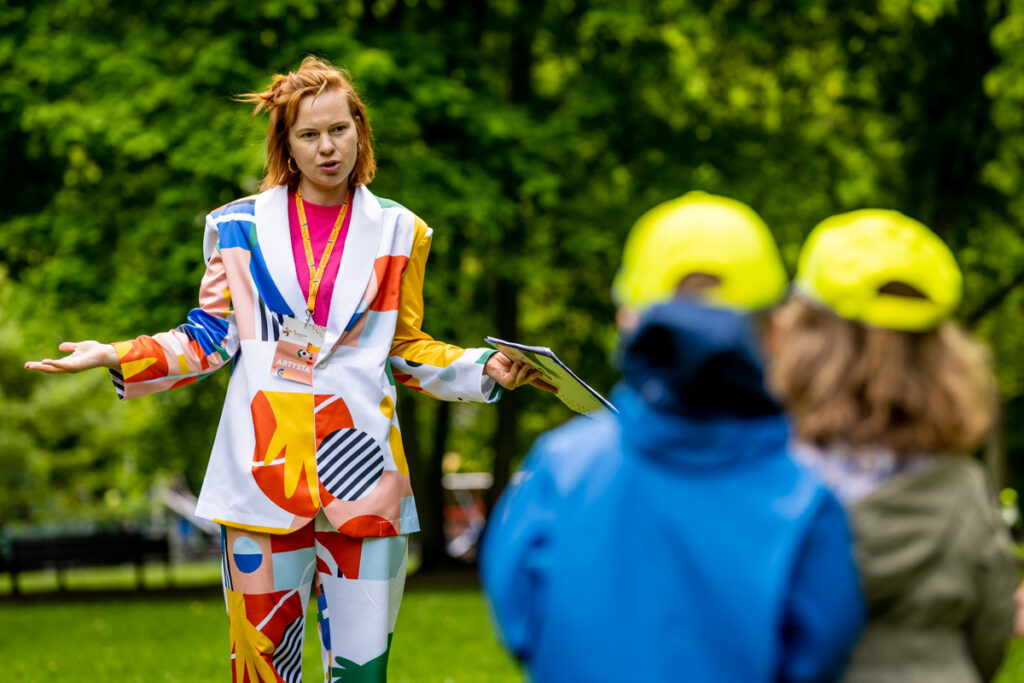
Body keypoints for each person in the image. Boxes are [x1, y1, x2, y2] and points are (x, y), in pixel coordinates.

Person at [25, 56, 541, 682]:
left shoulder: (401, 232)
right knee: (264, 672)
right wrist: (120, 354)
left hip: (366, 480)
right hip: (260, 481)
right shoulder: (237, 227)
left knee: (361, 672)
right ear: (287, 146)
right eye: (309, 135)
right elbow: (209, 338)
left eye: (340, 130)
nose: (328, 148)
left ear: (360, 131)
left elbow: (405, 347)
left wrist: (484, 366)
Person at [480, 192, 865, 682]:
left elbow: (518, 615)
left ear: (628, 317)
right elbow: (821, 645)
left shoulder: (561, 469)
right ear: (776, 330)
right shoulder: (807, 488)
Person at [770, 209, 1017, 682]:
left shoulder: (766, 481)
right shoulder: (964, 489)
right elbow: (990, 639)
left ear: (804, 335)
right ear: (944, 357)